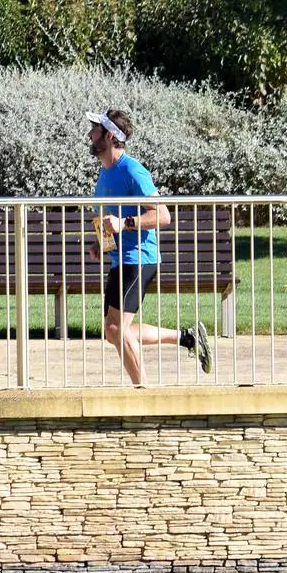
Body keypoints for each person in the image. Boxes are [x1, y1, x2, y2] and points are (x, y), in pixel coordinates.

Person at [86, 110, 212, 385]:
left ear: (109, 136)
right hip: (120, 259)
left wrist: (125, 223)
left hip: (139, 258)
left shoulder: (133, 170)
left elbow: (163, 215)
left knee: (115, 328)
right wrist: (100, 241)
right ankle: (187, 338)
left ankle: (144, 395)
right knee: (115, 332)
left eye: (95, 130)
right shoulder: (104, 174)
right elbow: (109, 217)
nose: (90, 135)